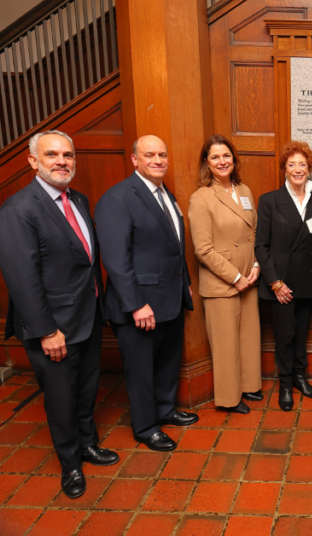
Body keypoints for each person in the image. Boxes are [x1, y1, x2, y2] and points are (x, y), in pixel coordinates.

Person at [0, 130, 119, 499]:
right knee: (61, 399)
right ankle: (70, 465)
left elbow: (85, 261)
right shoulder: (19, 209)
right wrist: (47, 331)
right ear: (33, 161)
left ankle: (87, 444)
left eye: (68, 154)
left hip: (87, 318)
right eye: (52, 155)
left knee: (86, 390)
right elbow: (21, 278)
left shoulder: (77, 199)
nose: (62, 161)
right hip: (54, 328)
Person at [95, 135, 197, 453]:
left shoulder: (166, 194)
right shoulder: (118, 198)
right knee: (140, 370)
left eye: (162, 154)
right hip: (140, 305)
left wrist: (185, 281)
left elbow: (174, 246)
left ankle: (164, 410)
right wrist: (137, 304)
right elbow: (115, 259)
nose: (157, 160)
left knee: (167, 361)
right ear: (134, 159)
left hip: (170, 297)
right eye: (149, 154)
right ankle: (145, 427)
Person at [189, 134, 263, 415]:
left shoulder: (244, 190)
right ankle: (230, 399)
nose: (223, 161)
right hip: (224, 281)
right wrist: (235, 277)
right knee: (225, 344)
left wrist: (256, 266)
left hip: (250, 276)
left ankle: (248, 386)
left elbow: (253, 233)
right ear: (206, 163)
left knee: (247, 337)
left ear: (234, 159)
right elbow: (203, 250)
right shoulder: (202, 198)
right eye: (215, 157)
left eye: (227, 155)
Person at [255, 140, 312, 411]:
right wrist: (275, 282)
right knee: (284, 336)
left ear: (309, 169)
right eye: (292, 164)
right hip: (281, 283)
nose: (298, 169)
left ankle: (300, 377)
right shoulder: (270, 201)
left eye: (302, 164)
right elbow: (261, 246)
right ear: (284, 169)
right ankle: (285, 384)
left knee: (300, 336)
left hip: (308, 280)